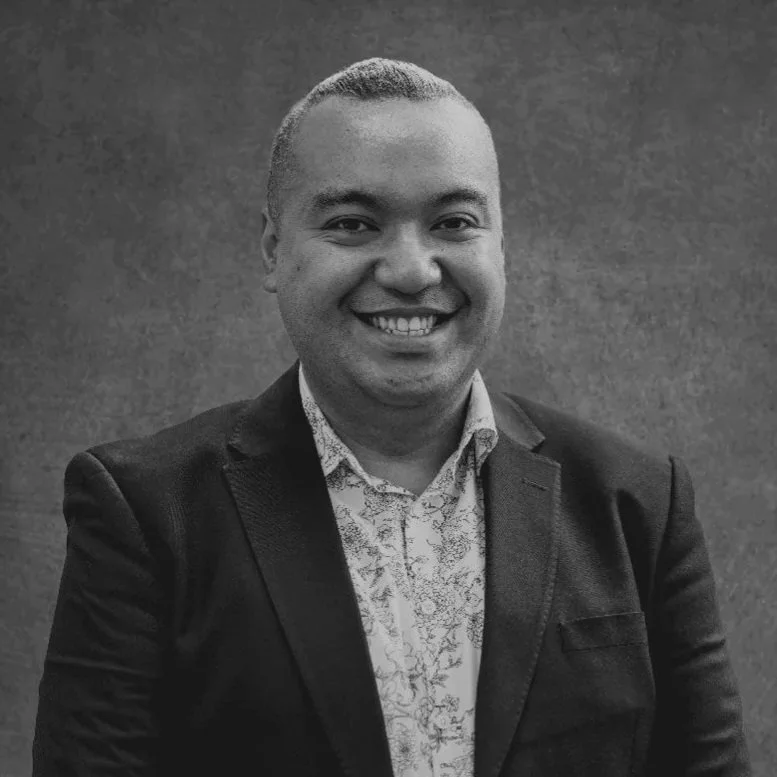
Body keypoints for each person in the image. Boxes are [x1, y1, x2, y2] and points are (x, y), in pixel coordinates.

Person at [32, 57, 751, 777]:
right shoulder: (147, 515)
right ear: (273, 248)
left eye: (453, 222)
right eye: (352, 223)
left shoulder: (637, 504)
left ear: (499, 244)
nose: (411, 270)